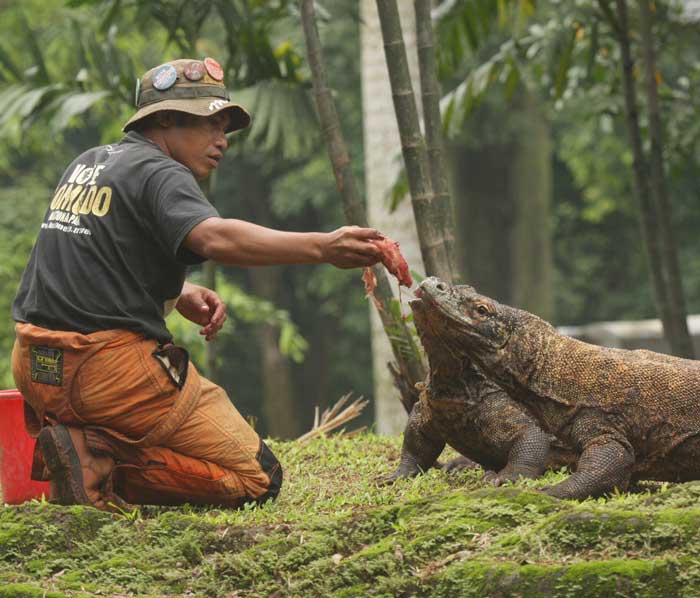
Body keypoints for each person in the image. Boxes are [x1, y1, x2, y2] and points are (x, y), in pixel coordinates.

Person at [11, 57, 382, 510]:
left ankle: (79, 447)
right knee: (257, 479)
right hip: (108, 374)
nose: (221, 141)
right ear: (164, 120)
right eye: (209, 124)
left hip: (35, 366)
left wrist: (178, 291)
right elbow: (213, 236)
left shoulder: (90, 163)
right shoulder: (163, 172)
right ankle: (97, 460)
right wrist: (322, 247)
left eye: (225, 128)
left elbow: (87, 253)